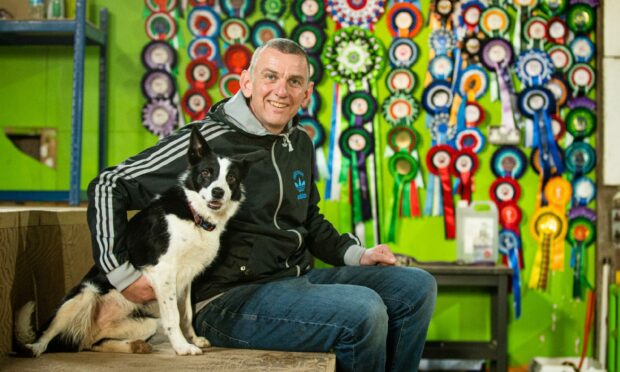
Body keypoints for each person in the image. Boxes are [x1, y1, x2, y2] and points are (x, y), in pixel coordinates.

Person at [87, 38, 436, 371]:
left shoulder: (299, 142)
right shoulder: (206, 142)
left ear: (306, 93)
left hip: (297, 280)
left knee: (416, 287)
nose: (281, 90)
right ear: (247, 83)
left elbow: (309, 219)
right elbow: (107, 185)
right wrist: (121, 274)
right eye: (270, 77)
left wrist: (359, 255)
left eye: (294, 81)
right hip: (226, 300)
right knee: (365, 310)